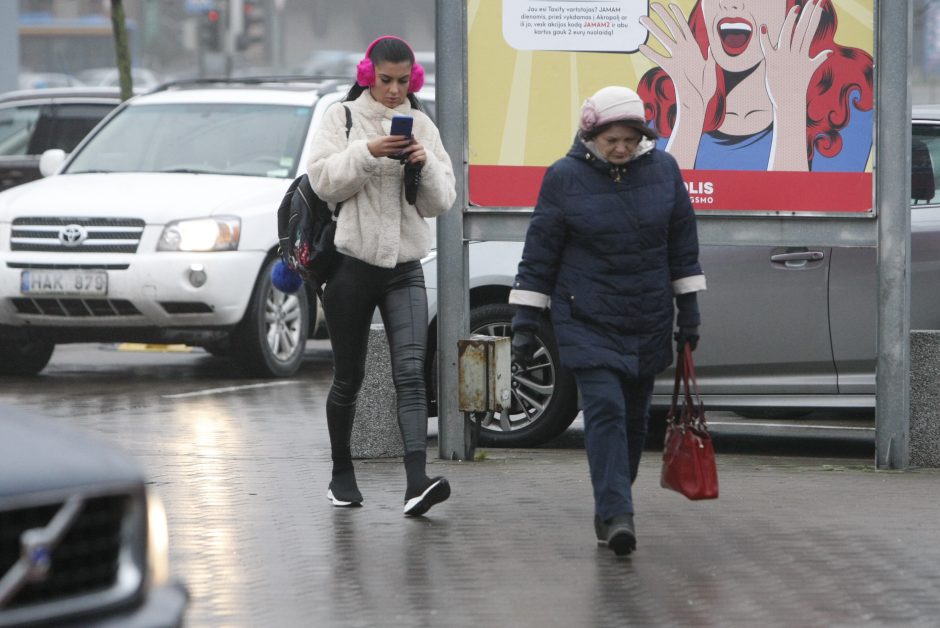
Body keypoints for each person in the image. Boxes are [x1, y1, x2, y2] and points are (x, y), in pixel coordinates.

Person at [509, 86, 706, 555]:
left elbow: (682, 244)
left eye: (629, 139)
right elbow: (540, 252)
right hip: (586, 316)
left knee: (636, 422)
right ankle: (619, 514)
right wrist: (523, 321)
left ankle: (612, 500)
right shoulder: (564, 177)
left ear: (642, 136)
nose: (620, 148)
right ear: (590, 134)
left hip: (647, 315)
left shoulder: (664, 171)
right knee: (606, 411)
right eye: (610, 139)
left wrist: (690, 312)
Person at [306, 35, 457, 516]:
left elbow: (442, 202)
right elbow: (322, 179)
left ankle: (417, 482)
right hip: (350, 268)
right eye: (385, 80)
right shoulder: (342, 117)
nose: (394, 91)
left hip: (405, 269)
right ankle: (341, 474)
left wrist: (423, 162)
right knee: (349, 377)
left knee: (411, 374)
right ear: (369, 75)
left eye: (402, 81)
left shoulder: (424, 126)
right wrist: (369, 151)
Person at [637, 0, 873, 172]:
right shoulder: (663, 95)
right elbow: (663, 206)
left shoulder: (847, 93)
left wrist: (789, 106)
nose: (731, 4)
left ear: (792, 8)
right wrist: (690, 110)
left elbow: (804, 209)